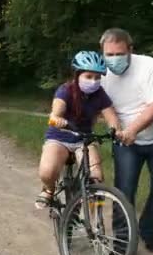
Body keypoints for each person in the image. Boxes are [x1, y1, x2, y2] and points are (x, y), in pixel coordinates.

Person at [99, 27, 153, 252]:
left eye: (119, 54)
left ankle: (147, 231)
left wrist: (132, 130)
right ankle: (122, 242)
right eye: (110, 55)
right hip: (125, 142)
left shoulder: (149, 66)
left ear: (130, 50)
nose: (114, 59)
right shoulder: (102, 73)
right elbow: (107, 107)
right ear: (103, 53)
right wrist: (117, 130)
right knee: (123, 190)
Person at [35, 50, 120, 209]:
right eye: (88, 76)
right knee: (47, 172)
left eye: (97, 77)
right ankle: (49, 190)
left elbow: (111, 116)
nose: (93, 81)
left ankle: (94, 221)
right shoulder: (65, 90)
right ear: (77, 75)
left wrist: (117, 131)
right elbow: (56, 111)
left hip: (85, 139)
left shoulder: (100, 94)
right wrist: (57, 118)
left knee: (96, 178)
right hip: (60, 137)